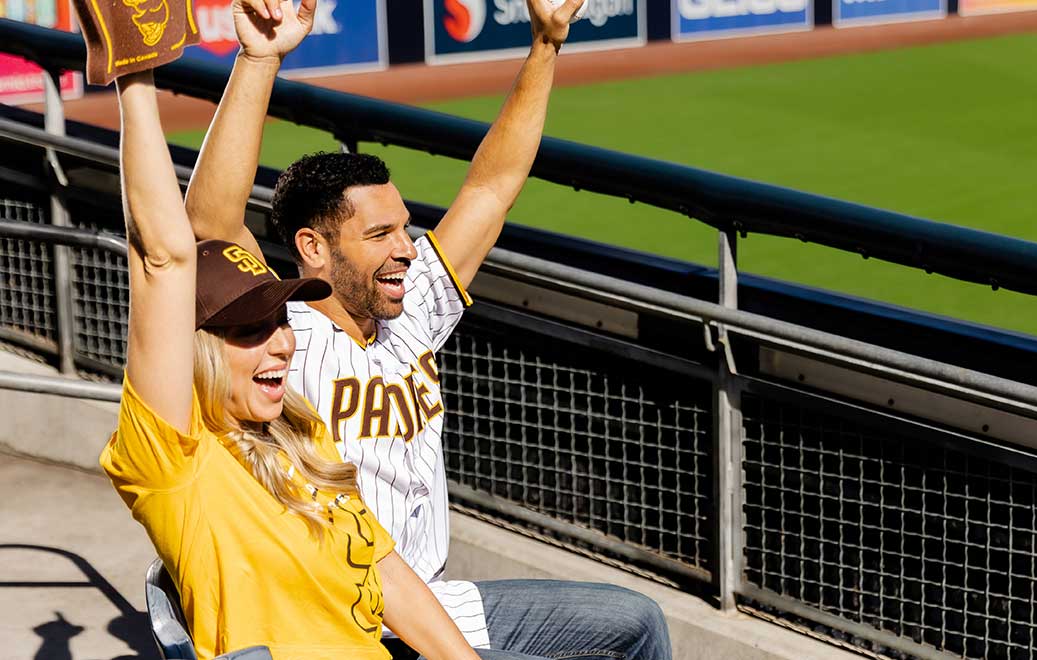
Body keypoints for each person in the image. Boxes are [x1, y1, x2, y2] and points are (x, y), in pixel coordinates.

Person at [184, 1, 672, 659]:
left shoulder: (412, 308)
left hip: (435, 606)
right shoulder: (275, 341)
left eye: (405, 227)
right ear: (314, 247)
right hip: (348, 628)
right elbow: (209, 225)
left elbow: (492, 186)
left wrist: (546, 44)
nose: (409, 248)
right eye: (380, 234)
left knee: (636, 622)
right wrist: (258, 59)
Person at [98, 27, 504, 660]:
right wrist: (136, 81)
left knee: (630, 622)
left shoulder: (303, 437)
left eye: (281, 321)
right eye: (249, 330)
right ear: (195, 347)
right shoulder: (175, 462)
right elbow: (164, 256)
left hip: (404, 625)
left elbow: (385, 571)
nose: (282, 343)